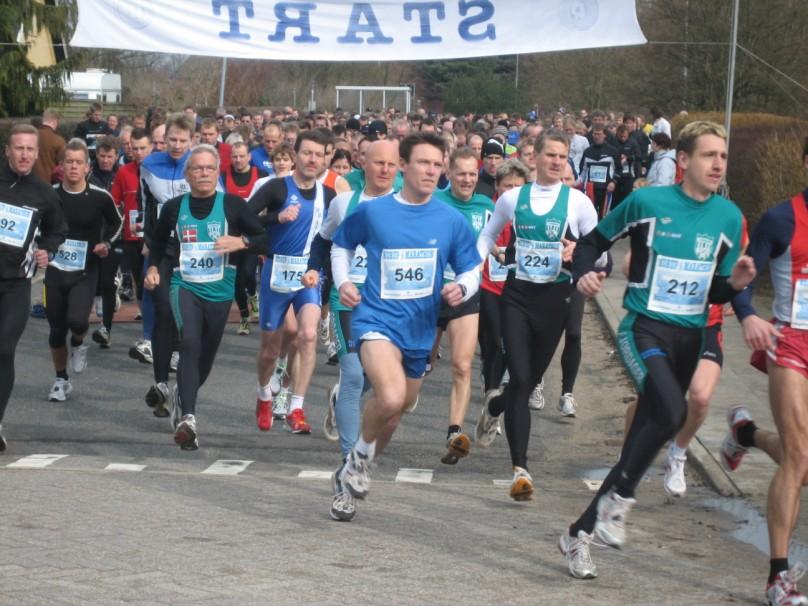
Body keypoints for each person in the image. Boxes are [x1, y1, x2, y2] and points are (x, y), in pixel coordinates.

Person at [558, 121, 754, 580]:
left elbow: (717, 292)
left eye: (723, 156)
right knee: (672, 412)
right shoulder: (647, 203)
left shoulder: (728, 217)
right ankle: (621, 500)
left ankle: (579, 532)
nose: (718, 164)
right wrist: (583, 274)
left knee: (642, 442)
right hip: (644, 330)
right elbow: (592, 243)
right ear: (683, 160)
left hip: (691, 338)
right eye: (708, 155)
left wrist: (736, 284)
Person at [331, 132, 482, 515]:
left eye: (437, 165)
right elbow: (341, 244)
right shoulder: (374, 212)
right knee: (391, 395)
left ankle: (354, 468)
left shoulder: (450, 220)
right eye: (423, 163)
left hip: (419, 330)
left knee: (397, 411)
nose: (431, 171)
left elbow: (471, 268)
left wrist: (462, 288)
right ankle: (357, 461)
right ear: (404, 166)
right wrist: (344, 281)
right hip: (376, 320)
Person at [475, 130, 604, 501]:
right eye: (550, 155)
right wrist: (473, 269)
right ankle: (521, 469)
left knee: (528, 381)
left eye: (563, 156)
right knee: (519, 375)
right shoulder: (514, 198)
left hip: (555, 301)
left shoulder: (578, 203)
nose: (557, 161)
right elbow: (486, 236)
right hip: (517, 296)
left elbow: (601, 253)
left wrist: (579, 253)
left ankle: (495, 405)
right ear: (536, 157)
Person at [719, 137, 808, 605]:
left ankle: (746, 433)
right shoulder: (782, 217)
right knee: (799, 456)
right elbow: (743, 277)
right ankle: (778, 577)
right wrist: (749, 315)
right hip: (790, 341)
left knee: (804, 464)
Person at [144, 145, 266, 450]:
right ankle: (189, 419)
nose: (203, 173)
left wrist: (242, 242)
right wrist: (154, 268)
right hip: (184, 286)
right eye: (197, 168)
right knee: (189, 343)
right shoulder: (174, 207)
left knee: (205, 360)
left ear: (217, 172)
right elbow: (157, 242)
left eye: (210, 168)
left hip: (220, 291)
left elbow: (265, 237)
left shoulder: (233, 206)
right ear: (187, 174)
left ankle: (180, 396)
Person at [304, 139, 398, 521]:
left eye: (391, 164)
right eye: (378, 163)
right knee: (355, 375)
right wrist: (315, 269)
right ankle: (348, 467)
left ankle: (344, 405)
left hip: (391, 305)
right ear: (363, 164)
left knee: (388, 390)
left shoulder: (408, 206)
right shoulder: (345, 203)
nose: (385, 170)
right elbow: (322, 240)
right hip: (349, 300)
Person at [249, 130, 337, 434]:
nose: (313, 159)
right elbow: (244, 218)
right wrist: (277, 218)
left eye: (319, 154)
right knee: (270, 350)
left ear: (325, 159)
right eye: (307, 153)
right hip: (276, 272)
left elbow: (335, 237)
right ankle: (264, 394)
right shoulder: (276, 188)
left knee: (308, 335)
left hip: (309, 275)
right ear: (296, 155)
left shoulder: (330, 196)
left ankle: (296, 407)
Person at [0, 124, 66, 449]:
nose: (24, 155)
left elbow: (58, 230)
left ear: (37, 154)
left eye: (30, 149)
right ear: (7, 151)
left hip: (16, 284)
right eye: (19, 148)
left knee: (3, 349)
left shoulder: (44, 193)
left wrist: (47, 250)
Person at [46, 139, 122, 401]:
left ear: (87, 167)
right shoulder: (50, 195)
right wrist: (40, 246)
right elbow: (36, 223)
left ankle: (78, 343)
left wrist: (106, 243)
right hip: (55, 268)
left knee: (78, 321)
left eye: (79, 162)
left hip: (85, 269)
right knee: (56, 330)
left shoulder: (100, 196)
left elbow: (117, 223)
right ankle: (61, 380)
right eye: (69, 162)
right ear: (61, 165)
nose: (74, 167)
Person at [431, 147, 494, 464]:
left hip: (466, 294)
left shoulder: (487, 206)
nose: (467, 179)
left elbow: (497, 240)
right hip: (430, 294)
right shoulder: (434, 201)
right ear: (449, 173)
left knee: (462, 366)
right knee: (420, 366)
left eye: (472, 174)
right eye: (461, 174)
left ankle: (454, 434)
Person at [138, 113, 197, 416]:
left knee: (183, 316)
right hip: (162, 249)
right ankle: (161, 384)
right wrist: (147, 240)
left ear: (192, 141)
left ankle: (182, 380)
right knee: (162, 308)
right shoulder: (149, 165)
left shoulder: (201, 165)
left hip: (194, 251)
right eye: (172, 139)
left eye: (182, 140)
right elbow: (146, 205)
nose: (176, 145)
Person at [98, 127, 151, 350]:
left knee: (151, 283)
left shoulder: (158, 171)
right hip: (131, 236)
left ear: (151, 148)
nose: (138, 152)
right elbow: (114, 204)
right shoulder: (124, 172)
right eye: (134, 148)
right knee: (139, 281)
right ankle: (143, 328)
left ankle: (150, 334)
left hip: (154, 238)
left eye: (143, 148)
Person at [220, 141, 267, 335]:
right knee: (237, 281)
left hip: (251, 234)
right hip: (232, 235)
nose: (238, 160)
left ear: (249, 157)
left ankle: (253, 295)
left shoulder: (260, 175)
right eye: (234, 156)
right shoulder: (224, 177)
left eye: (242, 156)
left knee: (248, 274)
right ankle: (244, 317)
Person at [579, 125, 620, 218]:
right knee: (590, 214)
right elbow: (583, 171)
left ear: (604, 135)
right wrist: (580, 184)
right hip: (591, 188)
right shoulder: (587, 151)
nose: (596, 136)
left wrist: (613, 182)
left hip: (606, 188)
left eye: (599, 134)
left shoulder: (612, 151)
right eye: (594, 134)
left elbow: (619, 169)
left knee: (604, 215)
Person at [33, 108, 65, 184]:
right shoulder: (58, 140)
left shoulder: (31, 137)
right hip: (50, 183)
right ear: (55, 121)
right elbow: (63, 164)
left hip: (31, 182)